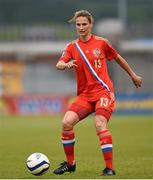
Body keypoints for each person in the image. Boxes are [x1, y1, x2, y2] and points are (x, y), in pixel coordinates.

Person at [53, 10, 142, 176]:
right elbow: (59, 63)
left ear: (90, 25)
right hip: (85, 95)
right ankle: (70, 164)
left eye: (84, 24)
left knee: (99, 123)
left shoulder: (102, 43)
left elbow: (118, 58)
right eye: (78, 24)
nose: (81, 27)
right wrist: (65, 65)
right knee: (66, 123)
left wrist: (133, 75)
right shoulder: (72, 47)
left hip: (103, 92)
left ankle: (109, 168)